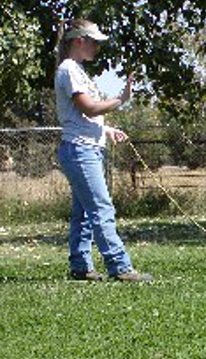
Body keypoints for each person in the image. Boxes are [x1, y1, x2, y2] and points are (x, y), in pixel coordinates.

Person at [55, 18, 152, 282]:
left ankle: (80, 266)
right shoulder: (69, 70)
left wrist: (105, 130)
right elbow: (88, 108)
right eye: (94, 42)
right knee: (101, 209)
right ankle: (119, 267)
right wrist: (121, 99)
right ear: (79, 41)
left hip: (83, 148)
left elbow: (81, 116)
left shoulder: (76, 70)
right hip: (80, 151)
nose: (97, 48)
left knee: (84, 213)